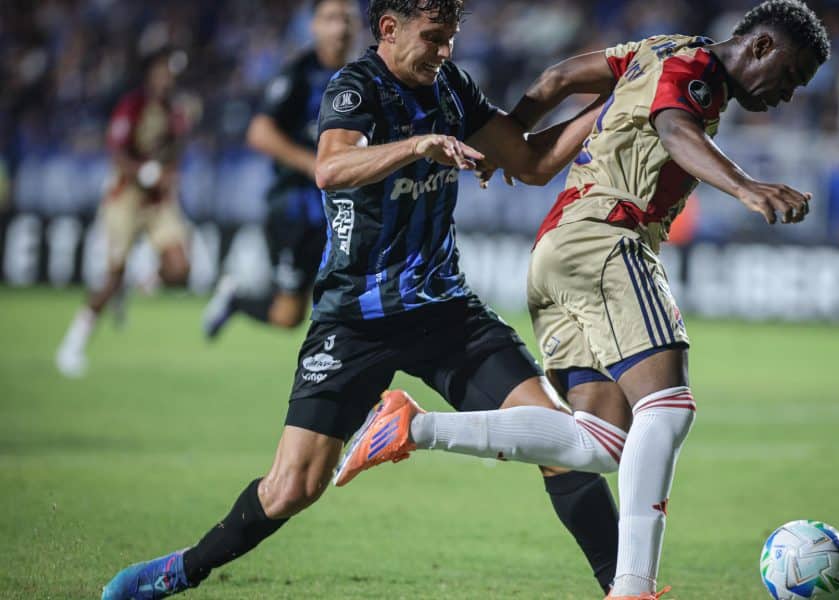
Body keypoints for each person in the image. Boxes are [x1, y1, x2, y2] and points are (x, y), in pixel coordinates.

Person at [101, 2, 623, 598]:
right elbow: (330, 167)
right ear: (389, 29)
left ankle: (624, 589)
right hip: (355, 319)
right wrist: (417, 146)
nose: (445, 51)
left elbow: (529, 161)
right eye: (434, 38)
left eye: (451, 38)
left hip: (442, 310)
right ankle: (180, 570)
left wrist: (610, 108)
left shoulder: (450, 85)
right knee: (291, 488)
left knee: (558, 440)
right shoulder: (355, 87)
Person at [337, 1, 830, 599]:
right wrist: (745, 186)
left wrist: (509, 138)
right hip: (606, 238)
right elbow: (676, 129)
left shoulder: (660, 48)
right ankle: (632, 589)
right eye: (790, 76)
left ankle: (412, 427)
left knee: (602, 442)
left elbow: (556, 79)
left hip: (558, 251)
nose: (787, 95)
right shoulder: (697, 72)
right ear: (760, 48)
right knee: (668, 406)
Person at [203, 0, 359, 338]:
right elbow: (259, 132)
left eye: (347, 19)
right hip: (295, 209)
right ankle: (235, 299)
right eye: (331, 18)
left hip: (340, 210)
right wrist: (313, 165)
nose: (340, 28)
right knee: (288, 315)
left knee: (350, 298)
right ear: (313, 26)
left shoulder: (362, 76)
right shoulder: (299, 74)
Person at [55, 47, 193, 378]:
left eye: (171, 74)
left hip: (157, 200)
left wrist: (168, 175)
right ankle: (72, 344)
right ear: (152, 74)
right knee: (112, 276)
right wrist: (145, 172)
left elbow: (174, 157)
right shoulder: (133, 105)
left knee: (180, 268)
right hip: (125, 196)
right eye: (162, 72)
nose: (167, 79)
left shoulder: (178, 113)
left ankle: (142, 279)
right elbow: (116, 152)